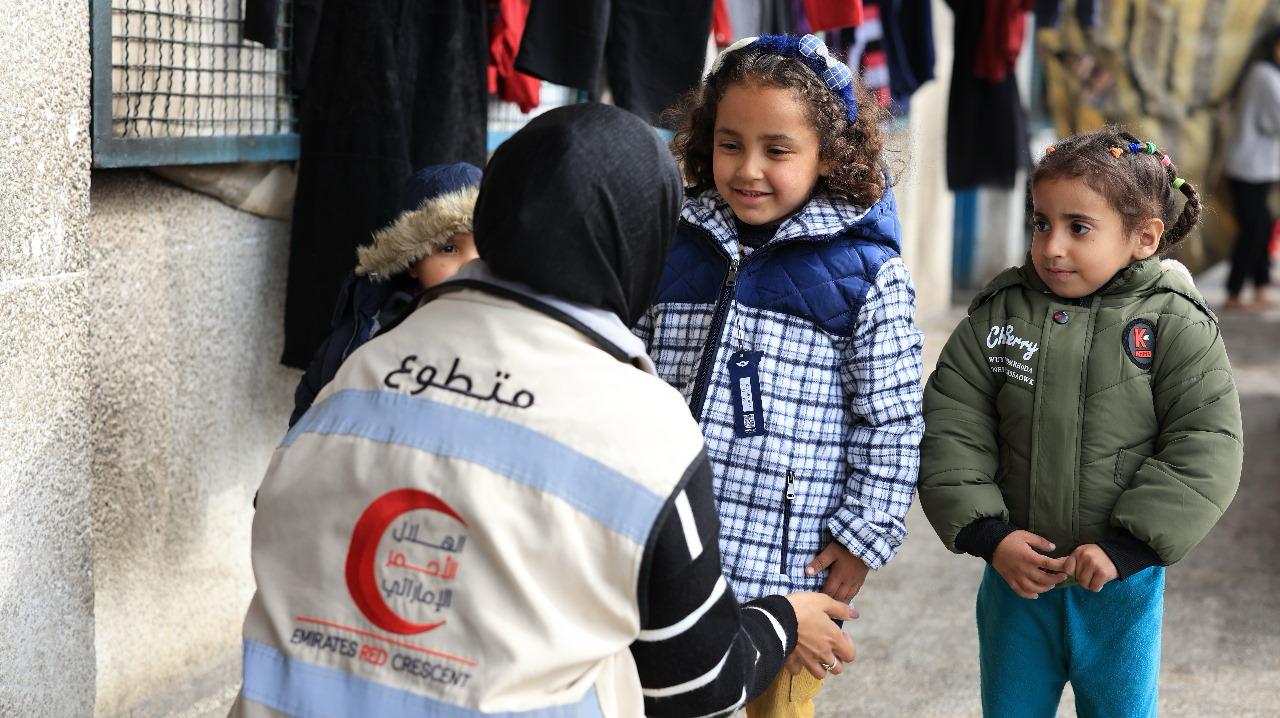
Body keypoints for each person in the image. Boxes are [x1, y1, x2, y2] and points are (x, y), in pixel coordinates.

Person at [231, 103, 856, 718]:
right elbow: (698, 687)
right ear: (642, 244)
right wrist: (783, 620)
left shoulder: (360, 367)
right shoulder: (646, 426)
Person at [638, 34, 925, 717]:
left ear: (828, 155)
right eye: (730, 144)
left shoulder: (868, 275)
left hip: (789, 571)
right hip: (671, 555)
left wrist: (862, 538)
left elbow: (891, 420)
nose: (748, 169)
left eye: (777, 149)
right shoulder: (673, 243)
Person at [918, 128, 1243, 718]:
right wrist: (989, 535)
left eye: (1079, 227)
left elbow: (1205, 443)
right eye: (1041, 223)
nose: (1052, 246)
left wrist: (1129, 548)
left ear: (1144, 237)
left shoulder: (1175, 322)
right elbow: (953, 422)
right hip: (1017, 579)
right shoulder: (1001, 312)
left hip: (1119, 587)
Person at [289, 162, 482, 427]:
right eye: (448, 249)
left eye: (483, 247)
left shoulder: (507, 325)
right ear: (412, 262)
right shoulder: (371, 324)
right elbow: (313, 397)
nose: (471, 264)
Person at [1224, 27, 1280, 310]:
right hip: (1248, 167)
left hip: (1257, 166)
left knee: (1263, 225)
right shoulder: (1264, 76)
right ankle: (1234, 294)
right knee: (1254, 230)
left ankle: (1260, 287)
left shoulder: (1267, 74)